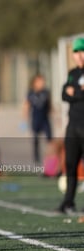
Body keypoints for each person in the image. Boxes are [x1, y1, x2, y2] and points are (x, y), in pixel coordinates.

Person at [57, 37, 84, 214]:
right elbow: (64, 94)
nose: (80, 55)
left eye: (82, 51)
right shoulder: (73, 73)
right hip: (73, 125)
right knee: (70, 164)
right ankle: (68, 202)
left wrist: (74, 92)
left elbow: (72, 92)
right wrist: (77, 92)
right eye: (77, 52)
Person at [23, 74, 52, 163]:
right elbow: (26, 106)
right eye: (39, 81)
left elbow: (50, 105)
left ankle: (50, 159)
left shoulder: (46, 92)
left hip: (45, 119)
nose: (42, 83)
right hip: (36, 119)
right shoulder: (31, 93)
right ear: (35, 83)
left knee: (50, 140)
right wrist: (24, 121)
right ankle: (36, 160)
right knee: (35, 140)